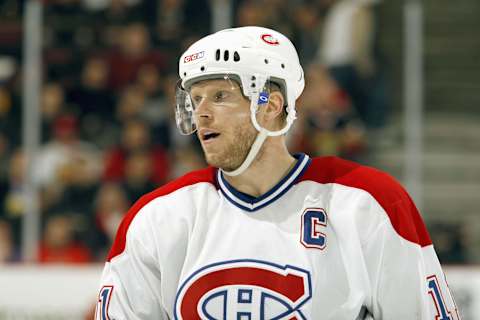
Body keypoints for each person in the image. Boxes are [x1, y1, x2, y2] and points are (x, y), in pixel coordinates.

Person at [95, 26, 460, 319]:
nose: (202, 112)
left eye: (220, 96)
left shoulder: (367, 203)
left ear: (271, 105)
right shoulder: (156, 219)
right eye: (196, 99)